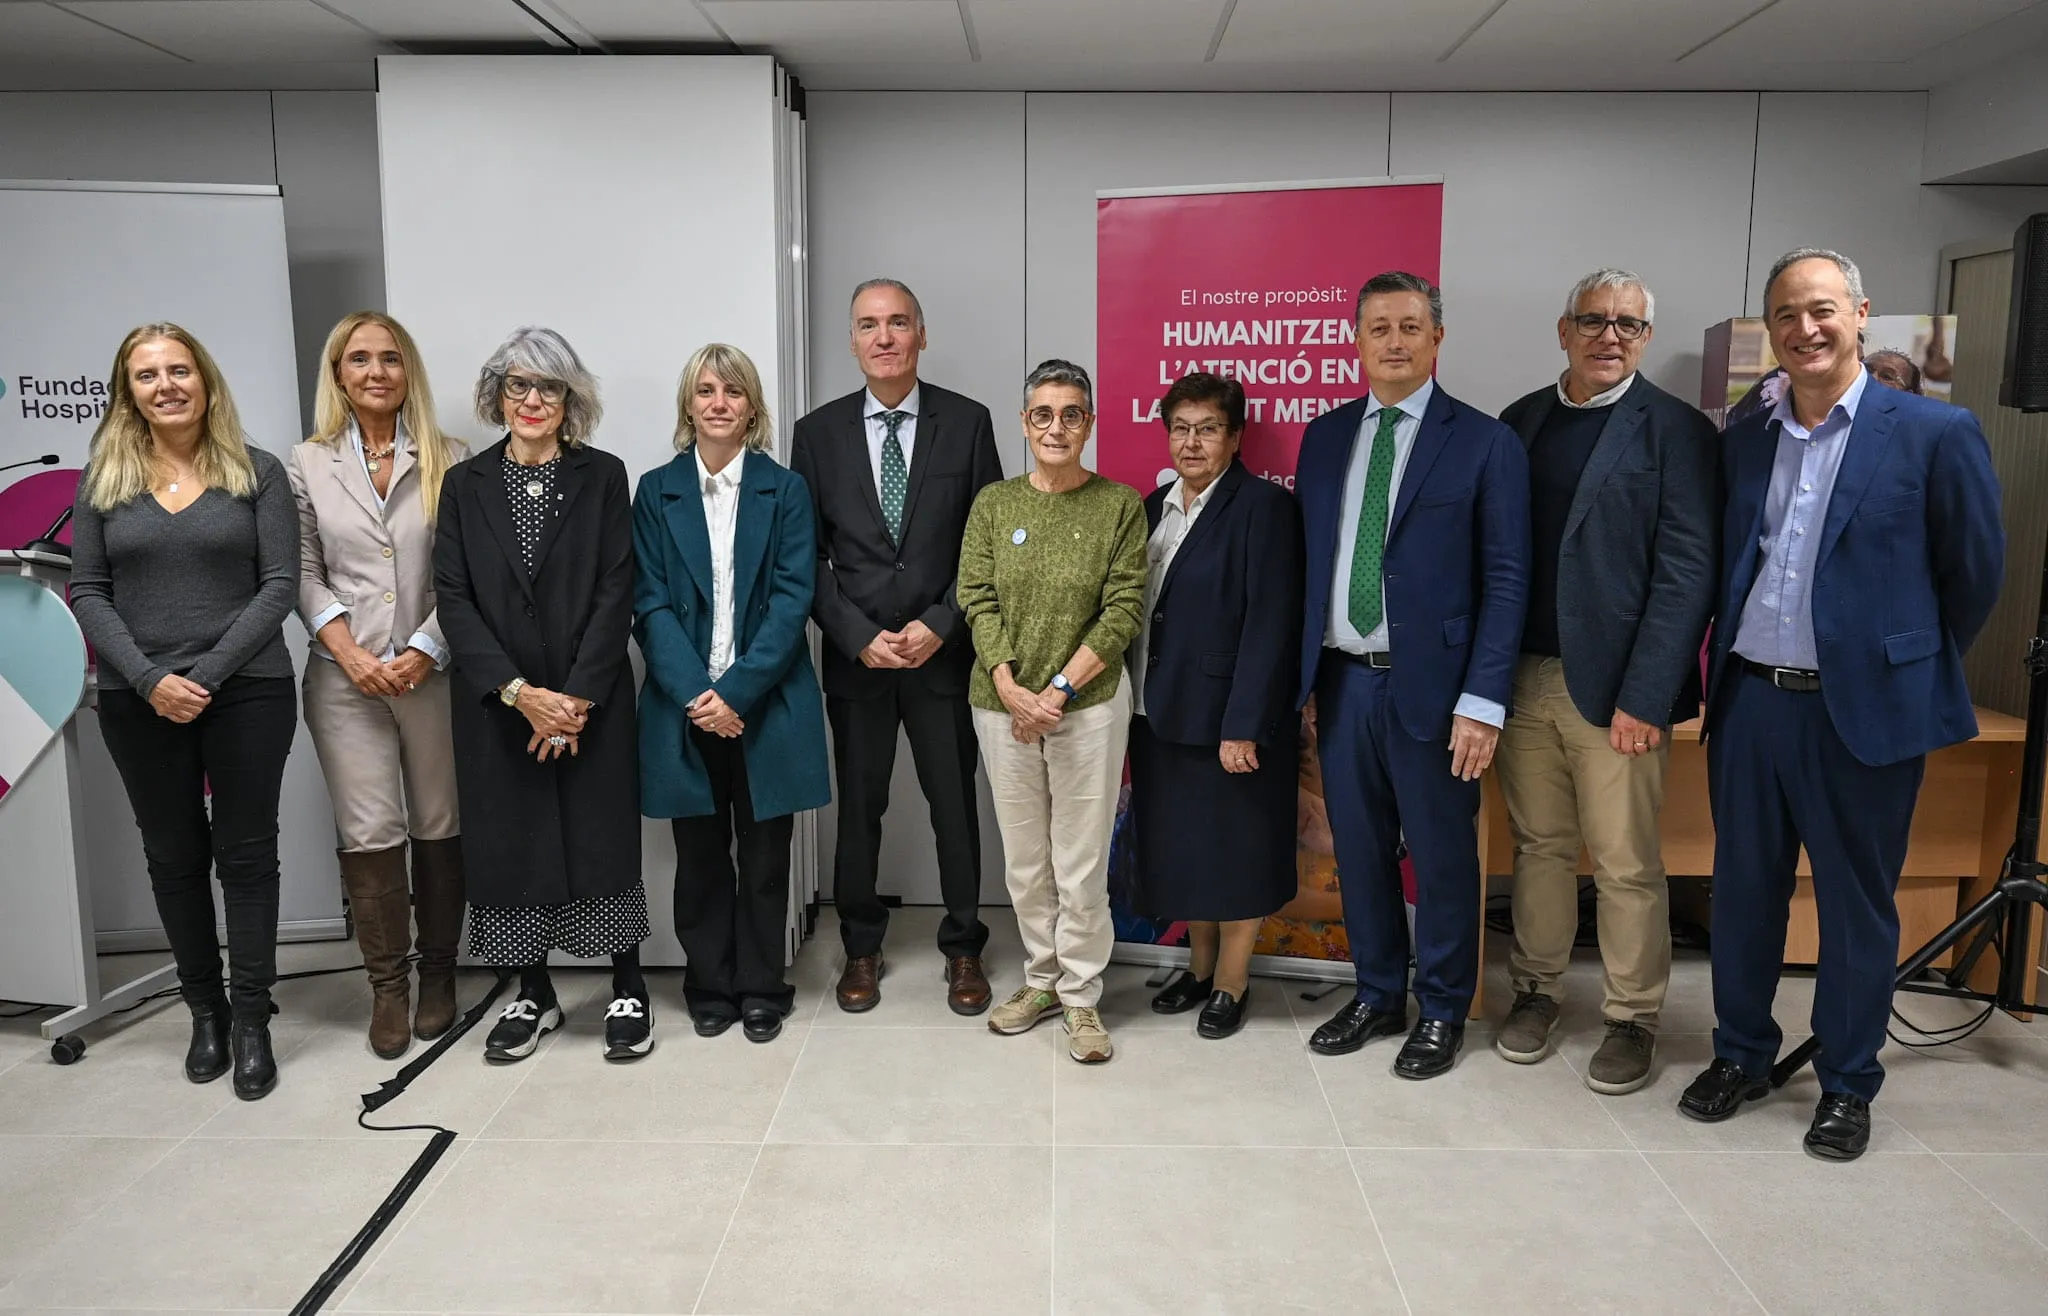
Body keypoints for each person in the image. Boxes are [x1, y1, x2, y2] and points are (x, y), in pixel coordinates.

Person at [1682, 248, 2003, 1160]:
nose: (1805, 328)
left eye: (1821, 309)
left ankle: (1849, 1082)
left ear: (1861, 313)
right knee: (1743, 894)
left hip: (1858, 713)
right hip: (1752, 702)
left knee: (1859, 906)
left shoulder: (1934, 433)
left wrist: (1900, 663)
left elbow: (1972, 576)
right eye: (1786, 314)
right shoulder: (1747, 434)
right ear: (1770, 330)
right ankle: (1742, 1055)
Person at [1296, 271, 1531, 1080]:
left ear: (1437, 339)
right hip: (1344, 680)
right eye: (1378, 328)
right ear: (1355, 340)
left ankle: (1439, 1008)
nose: (1394, 341)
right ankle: (1375, 993)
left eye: (1410, 327)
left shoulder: (1484, 441)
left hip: (1438, 689)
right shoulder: (1325, 438)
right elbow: (1313, 563)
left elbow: (1507, 579)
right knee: (1358, 850)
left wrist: (1484, 700)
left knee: (1438, 856)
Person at [1492, 271, 1720, 1094]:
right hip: (1523, 677)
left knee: (1626, 862)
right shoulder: (1519, 423)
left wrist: (1648, 694)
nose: (1609, 336)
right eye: (1593, 320)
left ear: (1646, 338)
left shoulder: (1677, 432)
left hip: (1619, 691)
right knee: (1540, 847)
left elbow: (1687, 573)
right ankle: (1537, 991)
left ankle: (1632, 1017)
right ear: (1564, 330)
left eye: (1628, 324)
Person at [69, 322, 300, 1101]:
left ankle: (251, 1020)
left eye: (179, 371)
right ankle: (203, 1011)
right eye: (146, 375)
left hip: (248, 692)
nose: (165, 386)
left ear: (205, 381)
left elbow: (279, 586)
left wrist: (201, 675)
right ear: (125, 391)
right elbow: (87, 591)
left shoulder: (256, 472)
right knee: (173, 858)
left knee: (245, 855)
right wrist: (145, 678)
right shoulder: (105, 479)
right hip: (139, 700)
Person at [433, 327, 650, 1063]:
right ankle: (533, 992)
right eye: (519, 385)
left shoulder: (605, 475)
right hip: (500, 708)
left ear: (570, 400)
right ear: (497, 396)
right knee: (511, 845)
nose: (533, 400)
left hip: (590, 704)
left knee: (600, 838)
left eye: (549, 387)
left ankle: (627, 983)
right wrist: (522, 694)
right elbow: (454, 600)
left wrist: (574, 701)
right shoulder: (465, 485)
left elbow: (618, 588)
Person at [790, 279, 1004, 1015]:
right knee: (860, 810)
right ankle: (861, 945)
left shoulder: (968, 424)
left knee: (955, 808)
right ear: (851, 341)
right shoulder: (815, 434)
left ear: (921, 334)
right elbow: (805, 556)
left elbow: (986, 545)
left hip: (943, 659)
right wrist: (853, 636)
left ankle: (966, 946)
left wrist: (944, 623)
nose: (884, 337)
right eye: (869, 325)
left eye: (898, 323)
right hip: (860, 665)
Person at [635, 344, 830, 1044]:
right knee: (701, 858)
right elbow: (649, 603)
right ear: (689, 405)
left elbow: (791, 600)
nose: (719, 402)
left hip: (765, 704)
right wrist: (697, 694)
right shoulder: (656, 491)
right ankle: (708, 982)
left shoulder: (786, 490)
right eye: (706, 390)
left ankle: (761, 983)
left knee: (767, 858)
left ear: (753, 407)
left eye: (734, 391)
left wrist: (736, 693)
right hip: (684, 709)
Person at [958, 359, 1146, 1063]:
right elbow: (975, 596)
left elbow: (1125, 606)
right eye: (1043, 413)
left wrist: (1059, 691)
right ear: (1024, 422)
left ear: (1090, 424)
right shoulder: (993, 504)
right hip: (1001, 705)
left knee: (1080, 859)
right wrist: (1010, 687)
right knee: (1026, 861)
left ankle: (1082, 997)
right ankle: (1040, 981)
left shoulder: (1119, 505)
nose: (1057, 426)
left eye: (1072, 413)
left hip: (1089, 706)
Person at [289, 311, 466, 1060]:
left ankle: (439, 977)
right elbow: (298, 569)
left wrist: (426, 647)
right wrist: (348, 651)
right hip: (343, 678)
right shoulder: (306, 462)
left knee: (437, 820)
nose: (375, 372)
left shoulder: (453, 458)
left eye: (390, 359)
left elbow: (466, 573)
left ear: (408, 371)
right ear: (338, 375)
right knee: (369, 834)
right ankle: (388, 986)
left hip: (433, 672)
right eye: (358, 359)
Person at [1129, 372, 1305, 1039]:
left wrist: (1244, 725)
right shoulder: (1152, 507)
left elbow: (1271, 623)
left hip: (1229, 720)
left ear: (1235, 437)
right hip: (1157, 710)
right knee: (1182, 850)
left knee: (1236, 852)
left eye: (1207, 428)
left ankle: (1233, 979)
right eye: (1180, 427)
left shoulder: (1264, 508)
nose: (1192, 441)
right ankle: (1198, 967)